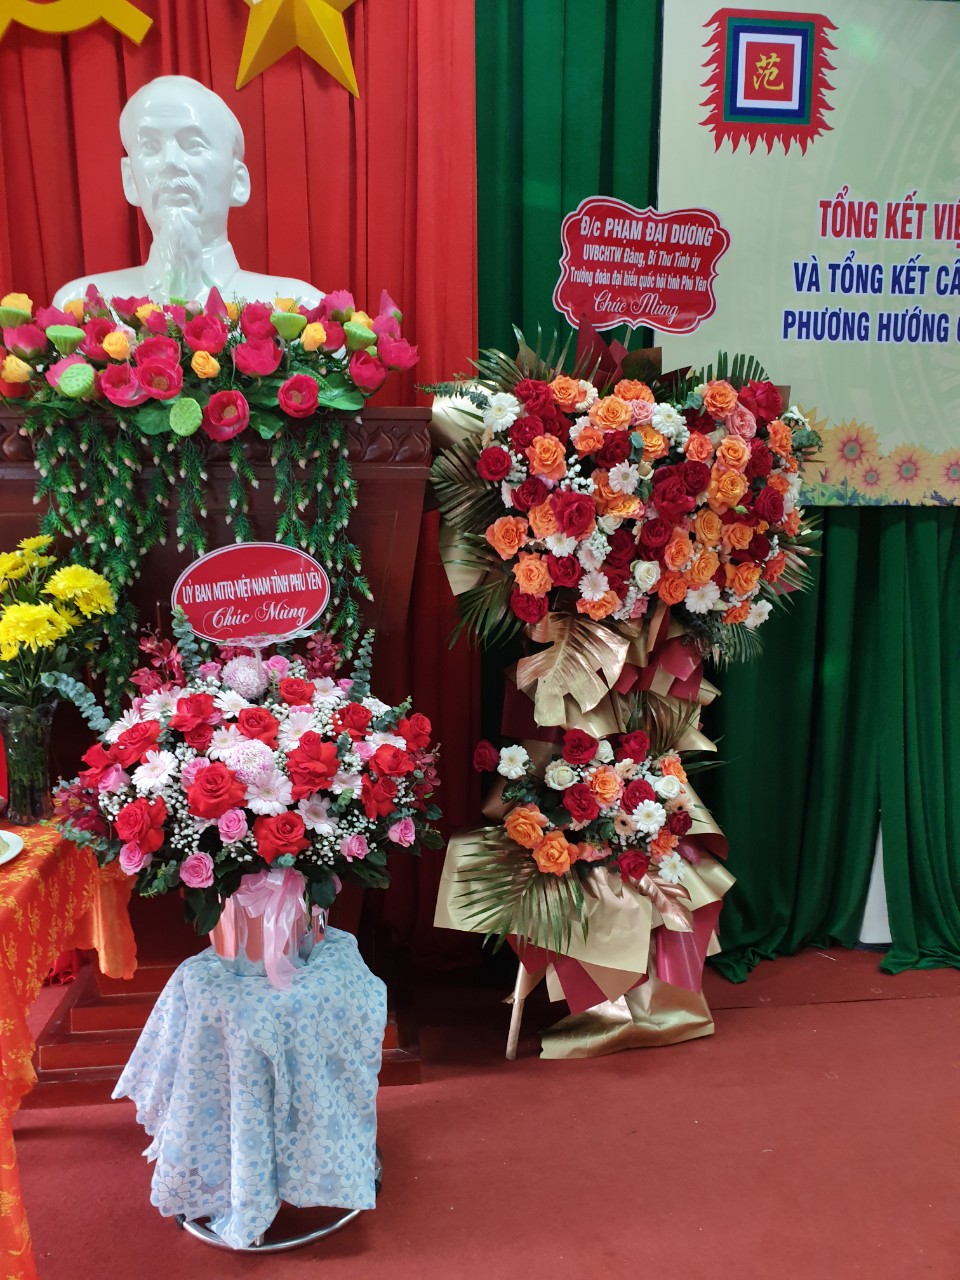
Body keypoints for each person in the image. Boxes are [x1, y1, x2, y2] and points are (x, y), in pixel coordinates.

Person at [52, 76, 322, 310]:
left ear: (238, 182)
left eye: (193, 144)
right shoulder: (79, 308)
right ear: (129, 180)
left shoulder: (301, 309)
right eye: (150, 146)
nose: (170, 162)